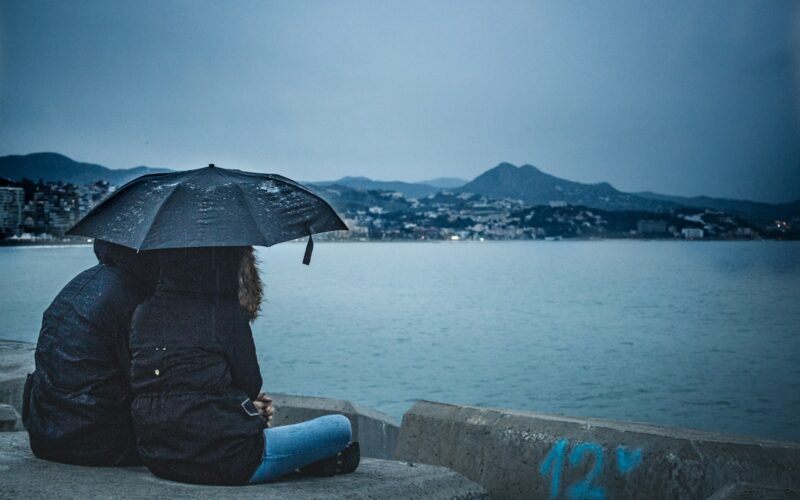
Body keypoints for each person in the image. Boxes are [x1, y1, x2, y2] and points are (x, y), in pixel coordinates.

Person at [129, 246, 359, 485]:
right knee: (339, 427)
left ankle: (310, 462)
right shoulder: (223, 312)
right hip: (230, 461)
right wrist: (249, 405)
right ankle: (315, 460)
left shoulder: (144, 313)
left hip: (160, 459)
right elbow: (250, 385)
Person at [23, 240, 159, 465]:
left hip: (45, 432)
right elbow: (145, 380)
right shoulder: (132, 298)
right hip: (97, 443)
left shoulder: (81, 284)